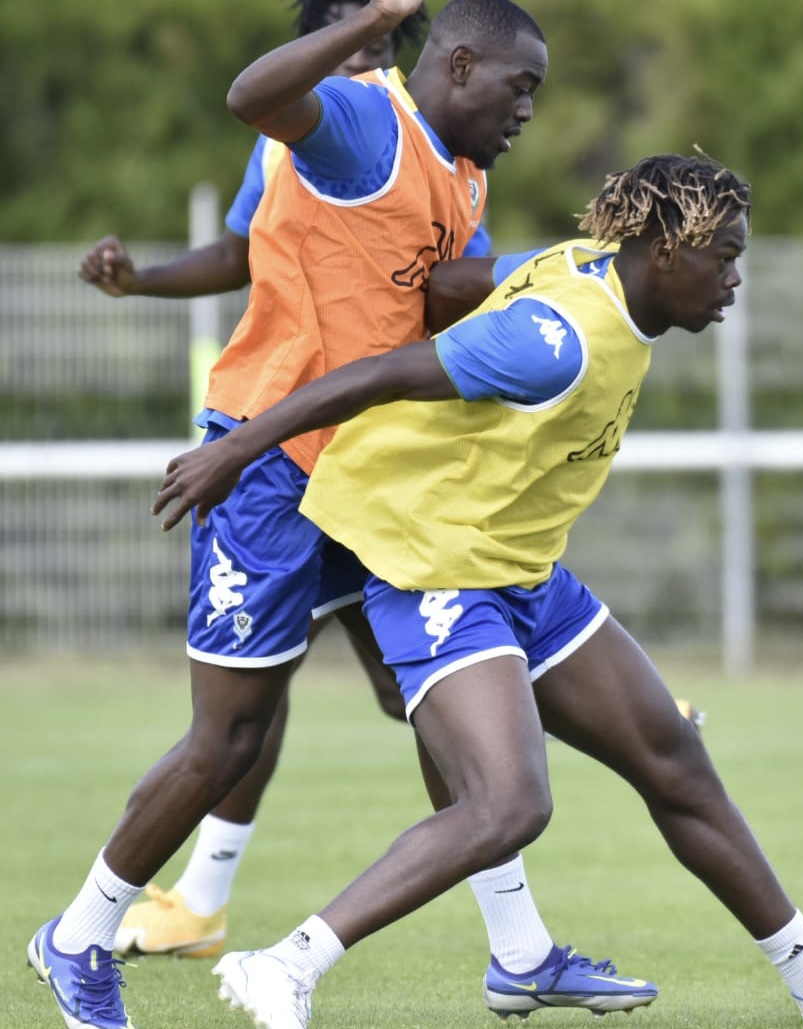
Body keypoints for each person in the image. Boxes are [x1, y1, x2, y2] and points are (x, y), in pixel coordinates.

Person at [27, 4, 656, 1029]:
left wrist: (529, 282)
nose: (530, 110)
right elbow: (251, 100)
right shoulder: (371, 123)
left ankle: (520, 950)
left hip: (365, 477)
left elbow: (434, 295)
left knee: (433, 701)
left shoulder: (463, 170)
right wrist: (374, 19)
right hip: (269, 470)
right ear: (454, 64)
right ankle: (78, 936)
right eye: (520, 87)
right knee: (225, 745)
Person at [147, 151, 803, 1029]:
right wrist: (235, 446)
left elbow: (456, 278)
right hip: (437, 565)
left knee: (671, 755)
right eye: (724, 257)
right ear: (665, 251)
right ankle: (283, 967)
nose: (735, 278)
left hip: (519, 569)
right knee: (510, 803)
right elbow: (378, 375)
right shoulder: (554, 339)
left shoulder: (589, 277)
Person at [74, 0, 481, 965]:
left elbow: (435, 285)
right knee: (240, 716)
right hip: (270, 449)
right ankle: (154, 913)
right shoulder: (308, 122)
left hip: (365, 456)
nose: (370, 51)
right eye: (353, 32)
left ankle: (519, 936)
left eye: (384, 38)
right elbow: (244, 252)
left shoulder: (440, 152)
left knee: (418, 683)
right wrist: (146, 281)